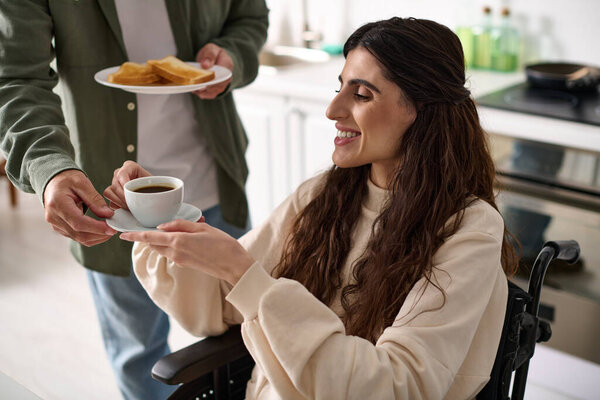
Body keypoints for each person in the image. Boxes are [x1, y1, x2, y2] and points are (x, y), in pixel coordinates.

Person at [107, 17, 519, 399]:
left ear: (422, 111)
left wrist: (241, 273)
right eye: (338, 88)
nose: (333, 110)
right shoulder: (325, 195)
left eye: (361, 94)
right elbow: (220, 305)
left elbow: (399, 385)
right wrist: (155, 211)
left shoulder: (468, 230)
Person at [0, 1, 268, 399]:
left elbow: (250, 15)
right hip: (110, 205)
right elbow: (16, 78)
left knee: (245, 338)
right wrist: (49, 167)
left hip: (217, 184)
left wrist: (232, 54)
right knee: (139, 356)